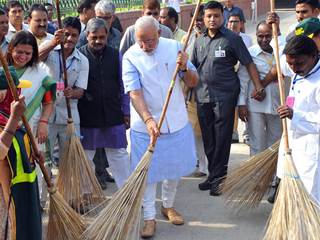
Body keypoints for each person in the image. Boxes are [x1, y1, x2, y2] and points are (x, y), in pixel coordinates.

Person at [123, 16, 198, 238]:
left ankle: (168, 205)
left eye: (150, 40)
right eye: (140, 41)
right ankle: (149, 217)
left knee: (173, 170)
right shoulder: (130, 56)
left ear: (159, 33)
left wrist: (185, 67)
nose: (145, 46)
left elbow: (194, 81)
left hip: (175, 120)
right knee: (148, 173)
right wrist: (147, 119)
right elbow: (134, 92)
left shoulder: (176, 47)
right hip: (144, 124)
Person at [191, 1, 265, 196]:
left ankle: (220, 178)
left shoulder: (232, 38)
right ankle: (212, 174)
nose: (212, 19)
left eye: (216, 15)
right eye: (208, 16)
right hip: (202, 95)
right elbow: (192, 69)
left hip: (225, 95)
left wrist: (258, 85)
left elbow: (248, 63)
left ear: (222, 16)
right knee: (208, 136)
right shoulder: (198, 40)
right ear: (203, 18)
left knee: (222, 137)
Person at [78, 18, 130, 189]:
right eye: (94, 37)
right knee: (86, 158)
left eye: (102, 37)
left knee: (119, 156)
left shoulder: (116, 56)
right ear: (87, 36)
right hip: (87, 116)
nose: (98, 41)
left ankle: (127, 194)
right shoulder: (79, 56)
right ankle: (86, 195)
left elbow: (123, 86)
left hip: (113, 113)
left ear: (107, 35)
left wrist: (126, 111)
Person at [7, 31, 56, 208]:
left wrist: (43, 122)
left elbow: (48, 102)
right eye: (19, 52)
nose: (23, 57)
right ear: (11, 48)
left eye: (28, 53)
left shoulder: (41, 73)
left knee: (32, 167)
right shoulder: (2, 70)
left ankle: (35, 204)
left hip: (31, 130)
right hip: (3, 132)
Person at [39, 17, 89, 170]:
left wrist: (72, 92)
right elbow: (35, 58)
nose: (69, 39)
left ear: (79, 36)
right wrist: (53, 42)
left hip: (69, 116)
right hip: (45, 116)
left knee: (69, 161)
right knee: (43, 161)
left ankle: (66, 192)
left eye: (74, 35)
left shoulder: (82, 60)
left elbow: (81, 91)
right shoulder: (50, 50)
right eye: (66, 34)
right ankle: (45, 194)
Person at [277, 35, 320, 204]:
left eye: (299, 64)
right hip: (293, 143)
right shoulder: (300, 70)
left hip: (313, 148)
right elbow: (278, 58)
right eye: (290, 64)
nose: (294, 68)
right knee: (294, 193)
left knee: (311, 194)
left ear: (314, 55)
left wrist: (295, 115)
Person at [0, 93, 42, 240]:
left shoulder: (7, 116)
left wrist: (32, 153)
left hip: (18, 197)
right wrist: (13, 118)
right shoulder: (10, 118)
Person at [238, 21, 281, 156]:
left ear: (273, 35)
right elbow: (243, 81)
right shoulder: (249, 53)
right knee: (257, 143)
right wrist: (241, 104)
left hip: (277, 104)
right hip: (255, 105)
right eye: (260, 36)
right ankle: (257, 176)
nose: (264, 40)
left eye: (268, 36)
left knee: (275, 143)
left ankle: (274, 176)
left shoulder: (281, 52)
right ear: (256, 35)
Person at [180, 5, 208, 178]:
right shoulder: (186, 38)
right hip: (191, 91)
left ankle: (211, 166)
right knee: (194, 130)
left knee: (208, 131)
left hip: (209, 90)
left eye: (201, 18)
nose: (198, 22)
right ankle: (201, 165)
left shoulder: (212, 37)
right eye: (196, 19)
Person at [226, 12, 253, 144]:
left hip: (244, 76)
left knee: (244, 103)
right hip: (230, 76)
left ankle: (247, 132)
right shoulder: (224, 38)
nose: (233, 24)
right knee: (232, 105)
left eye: (236, 21)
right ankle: (233, 131)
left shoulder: (247, 39)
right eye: (230, 21)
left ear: (241, 24)